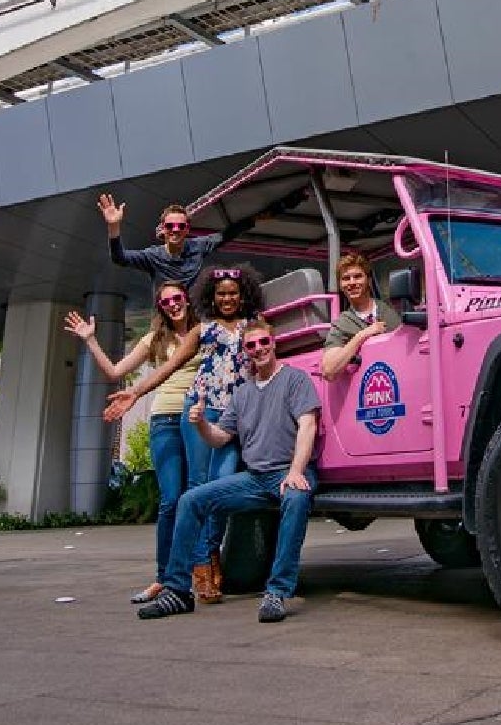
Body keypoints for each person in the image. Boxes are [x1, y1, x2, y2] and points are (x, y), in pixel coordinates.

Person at [135, 316, 320, 624]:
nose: (259, 349)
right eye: (251, 345)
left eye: (264, 342)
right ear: (245, 351)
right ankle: (178, 591)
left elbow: (308, 425)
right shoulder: (243, 393)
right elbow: (220, 437)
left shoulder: (295, 380)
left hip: (288, 473)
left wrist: (296, 470)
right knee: (190, 500)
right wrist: (201, 424)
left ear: (273, 343)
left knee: (297, 498)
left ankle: (276, 592)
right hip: (255, 479)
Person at [108, 264, 265, 604]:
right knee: (197, 489)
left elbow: (268, 361)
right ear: (211, 296)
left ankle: (207, 555)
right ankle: (201, 568)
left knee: (220, 488)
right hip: (200, 409)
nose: (227, 299)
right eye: (221, 294)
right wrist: (135, 393)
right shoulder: (202, 330)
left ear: (243, 295)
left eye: (233, 293)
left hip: (234, 417)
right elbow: (169, 366)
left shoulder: (254, 326)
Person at [64, 282, 201, 604]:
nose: (173, 305)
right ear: (160, 307)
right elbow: (115, 371)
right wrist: (91, 340)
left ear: (187, 299)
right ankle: (164, 577)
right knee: (171, 501)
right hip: (164, 420)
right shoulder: (154, 339)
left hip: (198, 419)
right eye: (166, 301)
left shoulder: (203, 332)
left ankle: (199, 572)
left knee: (197, 495)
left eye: (177, 298)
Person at [98, 193, 227, 291]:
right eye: (170, 226)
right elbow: (119, 257)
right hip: (164, 320)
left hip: (192, 318)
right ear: (164, 229)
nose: (175, 230)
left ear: (187, 229)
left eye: (180, 226)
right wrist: (113, 226)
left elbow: (225, 235)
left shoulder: (198, 246)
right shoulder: (153, 256)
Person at [319, 250, 402, 379]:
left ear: (368, 280)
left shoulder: (391, 309)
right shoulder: (342, 324)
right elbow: (329, 370)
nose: (352, 282)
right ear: (341, 286)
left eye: (357, 276)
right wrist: (361, 336)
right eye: (346, 279)